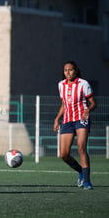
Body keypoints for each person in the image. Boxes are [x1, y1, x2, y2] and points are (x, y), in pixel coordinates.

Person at [53, 61, 96, 190]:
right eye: (65, 70)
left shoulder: (84, 84)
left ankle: (87, 182)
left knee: (81, 148)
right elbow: (64, 105)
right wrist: (57, 119)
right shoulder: (61, 85)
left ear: (76, 71)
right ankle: (81, 172)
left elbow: (93, 103)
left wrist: (88, 110)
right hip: (67, 120)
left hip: (81, 119)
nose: (68, 72)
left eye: (71, 70)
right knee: (64, 154)